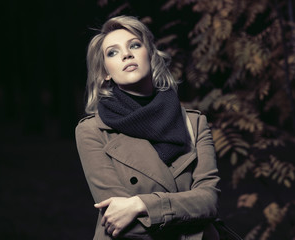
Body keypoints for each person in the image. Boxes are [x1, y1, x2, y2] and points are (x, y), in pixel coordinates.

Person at [75, 15, 221, 240]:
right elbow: (117, 218)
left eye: (134, 45)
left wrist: (140, 204)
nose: (126, 54)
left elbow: (209, 201)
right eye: (112, 52)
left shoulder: (194, 123)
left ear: (150, 55)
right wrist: (183, 210)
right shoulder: (93, 131)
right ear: (105, 72)